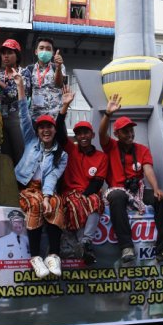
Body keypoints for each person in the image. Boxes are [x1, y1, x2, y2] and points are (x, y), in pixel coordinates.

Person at [99, 94, 163, 264]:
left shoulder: (141, 149)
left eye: (131, 130)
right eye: (125, 131)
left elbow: (148, 169)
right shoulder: (111, 146)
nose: (130, 134)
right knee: (117, 196)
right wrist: (107, 114)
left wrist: (156, 188)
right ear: (117, 133)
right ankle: (126, 247)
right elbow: (101, 134)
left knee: (161, 199)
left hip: (138, 191)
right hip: (118, 191)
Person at [13, 72, 67, 278]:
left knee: (56, 203)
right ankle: (35, 257)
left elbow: (53, 177)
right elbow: (23, 115)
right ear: (37, 131)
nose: (45, 130)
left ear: (54, 130)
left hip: (44, 188)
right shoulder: (30, 140)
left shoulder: (61, 154)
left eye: (49, 127)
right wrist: (20, 88)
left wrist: (47, 197)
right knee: (35, 203)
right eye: (42, 127)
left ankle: (54, 256)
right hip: (25, 187)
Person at [55, 87, 108, 265]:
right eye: (79, 133)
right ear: (76, 136)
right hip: (69, 193)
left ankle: (84, 242)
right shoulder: (71, 148)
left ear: (92, 135)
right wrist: (65, 106)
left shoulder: (101, 157)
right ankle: (84, 246)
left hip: (87, 193)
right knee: (76, 204)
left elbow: (98, 183)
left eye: (86, 132)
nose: (83, 136)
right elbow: (59, 131)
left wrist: (84, 197)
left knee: (94, 200)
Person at [0, 40, 31, 165]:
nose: (5, 56)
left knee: (20, 153)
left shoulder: (24, 73)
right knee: (5, 155)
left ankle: (22, 184)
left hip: (18, 118)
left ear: (17, 56)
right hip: (1, 119)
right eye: (3, 53)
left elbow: (15, 94)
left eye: (9, 53)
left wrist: (1, 84)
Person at [25, 37, 65, 121]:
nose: (44, 51)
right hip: (35, 117)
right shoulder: (29, 69)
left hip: (56, 117)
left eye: (48, 49)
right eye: (41, 48)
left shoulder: (59, 67)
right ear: (36, 51)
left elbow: (59, 84)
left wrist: (58, 67)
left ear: (52, 53)